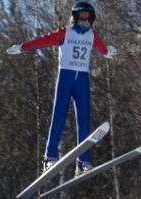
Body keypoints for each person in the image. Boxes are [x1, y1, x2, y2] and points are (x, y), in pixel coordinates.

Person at [7, 1, 117, 175]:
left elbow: (101, 47)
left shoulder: (92, 35)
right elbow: (42, 40)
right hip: (65, 78)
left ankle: (83, 162)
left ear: (92, 18)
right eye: (82, 16)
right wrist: (23, 47)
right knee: (58, 116)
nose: (85, 20)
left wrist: (106, 52)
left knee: (84, 120)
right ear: (74, 16)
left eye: (88, 17)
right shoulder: (65, 32)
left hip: (82, 79)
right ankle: (49, 158)